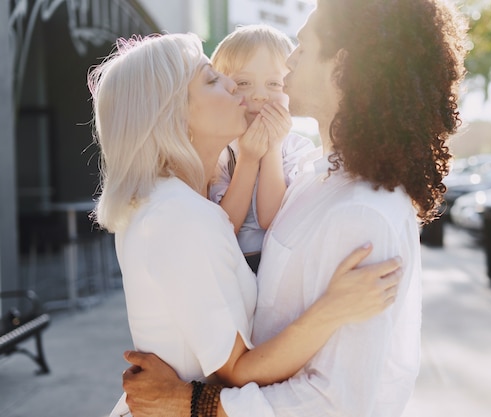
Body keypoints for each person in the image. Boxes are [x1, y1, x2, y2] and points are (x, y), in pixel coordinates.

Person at [122, 0, 468, 416]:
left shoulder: (364, 214)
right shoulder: (309, 179)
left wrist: (191, 403)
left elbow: (336, 402)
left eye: (302, 48)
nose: (288, 61)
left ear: (340, 67)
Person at [86, 32, 403, 417]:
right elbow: (237, 370)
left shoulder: (174, 204)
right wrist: (334, 309)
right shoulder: (179, 216)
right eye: (211, 79)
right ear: (175, 114)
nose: (232, 84)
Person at [209, 24, 316, 273]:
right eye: (244, 83)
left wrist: (271, 149)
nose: (260, 95)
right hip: (230, 268)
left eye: (274, 84)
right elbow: (226, 226)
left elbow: (272, 219)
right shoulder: (219, 150)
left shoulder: (298, 150)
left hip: (279, 268)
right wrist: (247, 158)